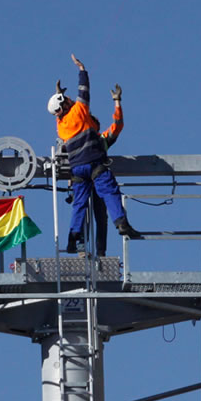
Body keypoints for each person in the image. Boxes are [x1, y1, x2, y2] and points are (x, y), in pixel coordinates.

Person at [48, 54, 140, 255]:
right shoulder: (82, 115)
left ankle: (74, 241)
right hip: (95, 166)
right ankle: (121, 223)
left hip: (78, 171)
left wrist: (58, 95)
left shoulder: (61, 128)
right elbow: (84, 92)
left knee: (80, 206)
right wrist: (82, 70)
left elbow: (59, 113)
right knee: (109, 193)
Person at [88, 83, 124, 256]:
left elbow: (117, 125)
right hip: (83, 180)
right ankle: (81, 247)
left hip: (98, 181)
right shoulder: (74, 139)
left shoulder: (102, 139)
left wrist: (117, 102)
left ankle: (100, 252)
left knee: (101, 218)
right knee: (82, 212)